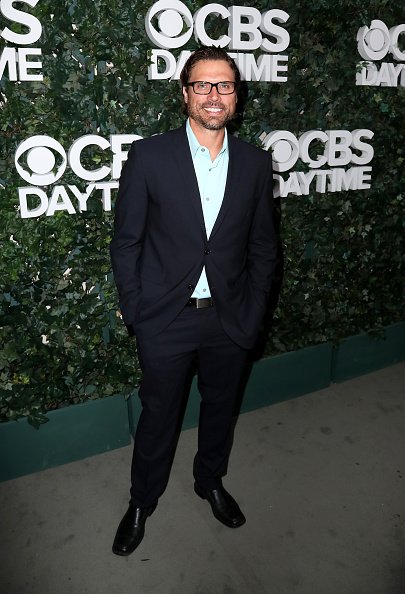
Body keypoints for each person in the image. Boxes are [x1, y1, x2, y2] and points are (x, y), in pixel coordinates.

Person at [109, 46, 278, 556]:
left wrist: (252, 313)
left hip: (229, 318)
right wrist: (137, 308)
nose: (213, 95)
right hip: (166, 319)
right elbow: (127, 241)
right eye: (202, 85)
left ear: (236, 96)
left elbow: (264, 248)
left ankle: (210, 481)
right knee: (159, 415)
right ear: (184, 93)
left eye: (223, 85)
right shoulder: (150, 155)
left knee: (220, 410)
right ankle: (143, 500)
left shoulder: (254, 163)